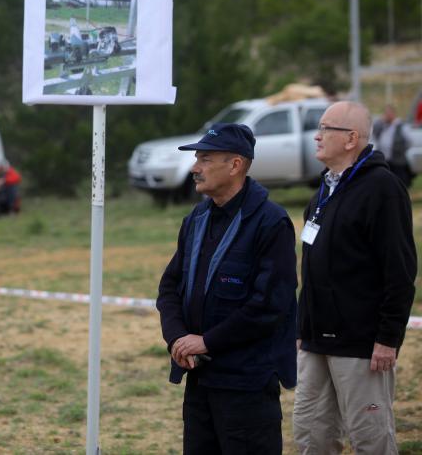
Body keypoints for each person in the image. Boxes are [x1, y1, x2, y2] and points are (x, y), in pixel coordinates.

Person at [156, 123, 297, 455]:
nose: (194, 168)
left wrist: (207, 341)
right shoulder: (197, 219)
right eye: (196, 158)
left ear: (235, 165)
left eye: (205, 158)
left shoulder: (270, 223)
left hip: (246, 384)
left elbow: (269, 306)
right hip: (200, 380)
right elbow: (169, 288)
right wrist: (177, 338)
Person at [294, 101, 416, 454]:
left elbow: (400, 270)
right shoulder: (323, 191)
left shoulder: (383, 189)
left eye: (325, 128)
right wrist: (303, 329)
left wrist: (387, 338)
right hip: (316, 341)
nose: (316, 136)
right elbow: (312, 266)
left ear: (350, 139)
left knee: (370, 439)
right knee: (311, 435)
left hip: (362, 344)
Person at [373, 104, 414, 187]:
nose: (387, 115)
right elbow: (374, 134)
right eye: (385, 113)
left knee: (400, 181)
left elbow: (410, 141)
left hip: (398, 160)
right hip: (385, 159)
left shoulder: (401, 125)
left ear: (393, 114)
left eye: (389, 113)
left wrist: (401, 150)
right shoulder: (382, 125)